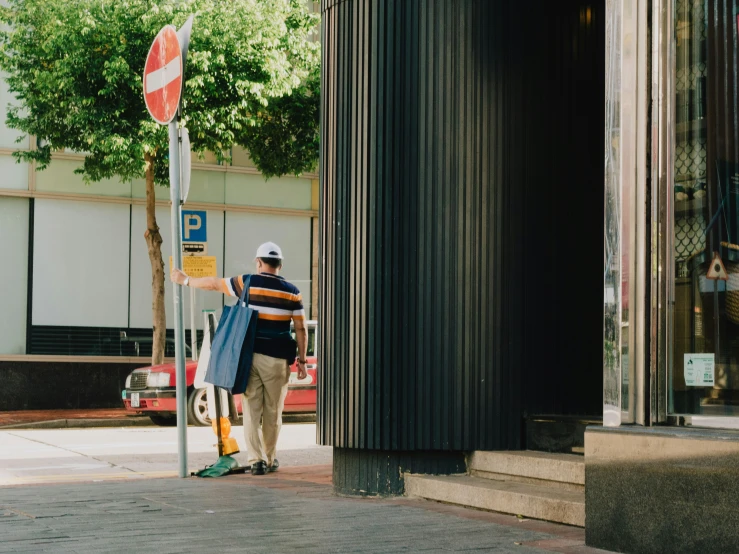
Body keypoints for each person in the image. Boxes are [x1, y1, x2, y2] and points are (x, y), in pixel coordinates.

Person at [170, 241, 308, 475]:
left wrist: (185, 280)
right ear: (280, 265)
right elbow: (301, 328)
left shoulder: (247, 282)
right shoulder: (293, 292)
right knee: (273, 411)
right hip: (278, 361)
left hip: (250, 357)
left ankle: (256, 460)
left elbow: (214, 284)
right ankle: (271, 456)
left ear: (259, 262)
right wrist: (302, 361)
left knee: (252, 409)